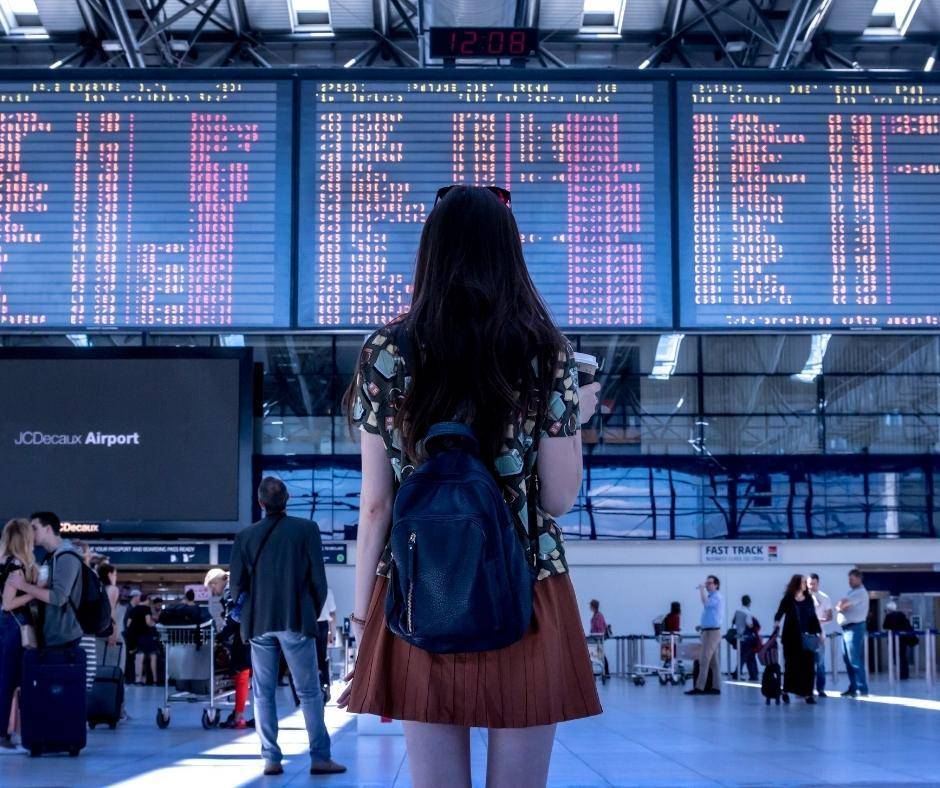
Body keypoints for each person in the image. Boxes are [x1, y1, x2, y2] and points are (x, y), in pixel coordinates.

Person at [338, 185, 603, 788]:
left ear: (430, 252)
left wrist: (361, 616)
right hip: (527, 587)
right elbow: (559, 499)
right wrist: (571, 420)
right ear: (509, 254)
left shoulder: (387, 351)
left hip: (418, 587)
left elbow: (377, 503)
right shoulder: (546, 354)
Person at [230, 477, 345, 777]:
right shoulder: (306, 530)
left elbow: (235, 587)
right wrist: (309, 610)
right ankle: (320, 757)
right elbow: (319, 581)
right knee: (308, 692)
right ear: (288, 498)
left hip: (258, 624)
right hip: (296, 619)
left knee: (263, 693)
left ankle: (271, 759)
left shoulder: (245, 536)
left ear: (260, 503)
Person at [10, 512, 93, 690]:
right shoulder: (53, 557)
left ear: (48, 529)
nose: (30, 533)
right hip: (54, 635)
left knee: (58, 691)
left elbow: (59, 597)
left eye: (34, 528)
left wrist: (23, 586)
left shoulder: (67, 557)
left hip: (63, 636)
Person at [0, 518, 39, 750]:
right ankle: (4, 734)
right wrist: (33, 593)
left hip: (4, 626)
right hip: (14, 627)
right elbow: (8, 603)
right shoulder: (15, 564)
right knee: (10, 681)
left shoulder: (1, 561)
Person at [204, 568, 253, 729]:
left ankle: (239, 716)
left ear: (216, 582)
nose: (213, 591)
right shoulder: (239, 582)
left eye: (211, 587)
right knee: (245, 675)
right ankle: (240, 713)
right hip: (252, 631)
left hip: (243, 635)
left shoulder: (229, 588)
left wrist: (221, 636)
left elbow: (234, 616)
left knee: (242, 673)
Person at [773, 575, 821, 705]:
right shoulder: (788, 599)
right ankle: (786, 691)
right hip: (790, 638)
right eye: (804, 582)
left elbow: (813, 617)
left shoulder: (809, 599)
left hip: (807, 637)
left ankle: (808, 694)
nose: (806, 584)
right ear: (797, 584)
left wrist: (819, 633)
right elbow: (779, 612)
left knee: (808, 667)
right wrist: (777, 622)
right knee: (791, 666)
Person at [686, 575, 724, 696]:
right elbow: (711, 616)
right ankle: (716, 687)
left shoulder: (717, 597)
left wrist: (701, 590)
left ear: (716, 585)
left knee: (703, 659)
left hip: (712, 633)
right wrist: (701, 626)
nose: (707, 585)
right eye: (706, 583)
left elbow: (706, 604)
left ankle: (700, 687)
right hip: (708, 631)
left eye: (710, 583)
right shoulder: (712, 597)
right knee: (714, 662)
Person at [836, 568, 870, 697]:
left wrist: (841, 606)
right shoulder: (852, 592)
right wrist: (842, 605)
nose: (849, 581)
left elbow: (841, 605)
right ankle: (853, 687)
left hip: (854, 628)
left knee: (854, 660)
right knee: (848, 660)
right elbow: (841, 604)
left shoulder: (860, 592)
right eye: (849, 579)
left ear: (859, 579)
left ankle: (862, 688)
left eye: (852, 579)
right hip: (847, 629)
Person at [808, 573, 835, 697]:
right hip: (805, 636)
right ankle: (805, 689)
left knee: (820, 664)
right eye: (809, 584)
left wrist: (818, 621)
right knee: (805, 664)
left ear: (818, 583)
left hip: (819, 635)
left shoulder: (825, 598)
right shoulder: (801, 598)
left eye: (813, 583)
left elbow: (830, 617)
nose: (811, 586)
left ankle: (820, 689)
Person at [126, 594, 159, 685]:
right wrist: (154, 624)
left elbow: (128, 624)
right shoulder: (146, 609)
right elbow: (148, 622)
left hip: (136, 636)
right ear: (147, 600)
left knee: (139, 656)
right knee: (152, 655)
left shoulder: (134, 609)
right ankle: (154, 679)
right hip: (146, 635)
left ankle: (138, 679)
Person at [883, 600, 916, 681]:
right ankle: (904, 674)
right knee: (903, 656)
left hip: (893, 640)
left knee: (896, 656)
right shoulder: (902, 615)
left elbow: (884, 626)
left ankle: (898, 673)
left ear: (888, 609)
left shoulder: (889, 616)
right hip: (903, 639)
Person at [732, 595, 759, 682]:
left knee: (747, 655)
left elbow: (733, 622)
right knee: (745, 655)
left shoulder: (737, 611)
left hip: (739, 635)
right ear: (748, 602)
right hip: (746, 636)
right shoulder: (748, 612)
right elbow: (750, 625)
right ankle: (738, 674)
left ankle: (753, 674)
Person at [316, 587, 336, 698]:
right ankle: (326, 688)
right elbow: (332, 614)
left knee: (312, 658)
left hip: (309, 625)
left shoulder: (305, 587)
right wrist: (331, 633)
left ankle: (316, 688)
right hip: (323, 626)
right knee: (323, 658)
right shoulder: (327, 590)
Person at [588, 600, 610, 678]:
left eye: (590, 606)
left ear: (593, 606)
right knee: (598, 654)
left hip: (598, 638)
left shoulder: (598, 616)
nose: (589, 607)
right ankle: (605, 671)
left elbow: (600, 628)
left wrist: (595, 634)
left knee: (600, 654)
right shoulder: (595, 615)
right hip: (595, 638)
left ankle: (606, 672)